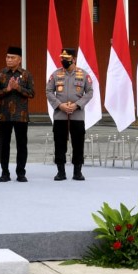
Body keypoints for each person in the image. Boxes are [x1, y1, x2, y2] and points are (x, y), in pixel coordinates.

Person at [45, 48, 93, 181]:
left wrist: (77, 105)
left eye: (66, 58)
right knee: (59, 143)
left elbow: (89, 92)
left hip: (77, 116)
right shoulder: (55, 74)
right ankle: (61, 171)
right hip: (60, 115)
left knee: (78, 143)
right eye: (62, 58)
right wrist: (60, 105)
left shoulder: (83, 75)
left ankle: (77, 171)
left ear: (74, 59)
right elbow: (48, 91)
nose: (63, 61)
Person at [0, 45, 35, 182]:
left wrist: (18, 88)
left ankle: (21, 173)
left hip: (21, 116)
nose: (9, 60)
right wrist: (8, 89)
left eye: (12, 57)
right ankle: (5, 173)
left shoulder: (26, 75)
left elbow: (32, 93)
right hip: (4, 116)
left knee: (22, 145)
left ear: (19, 59)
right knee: (4, 145)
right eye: (7, 57)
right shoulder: (0, 74)